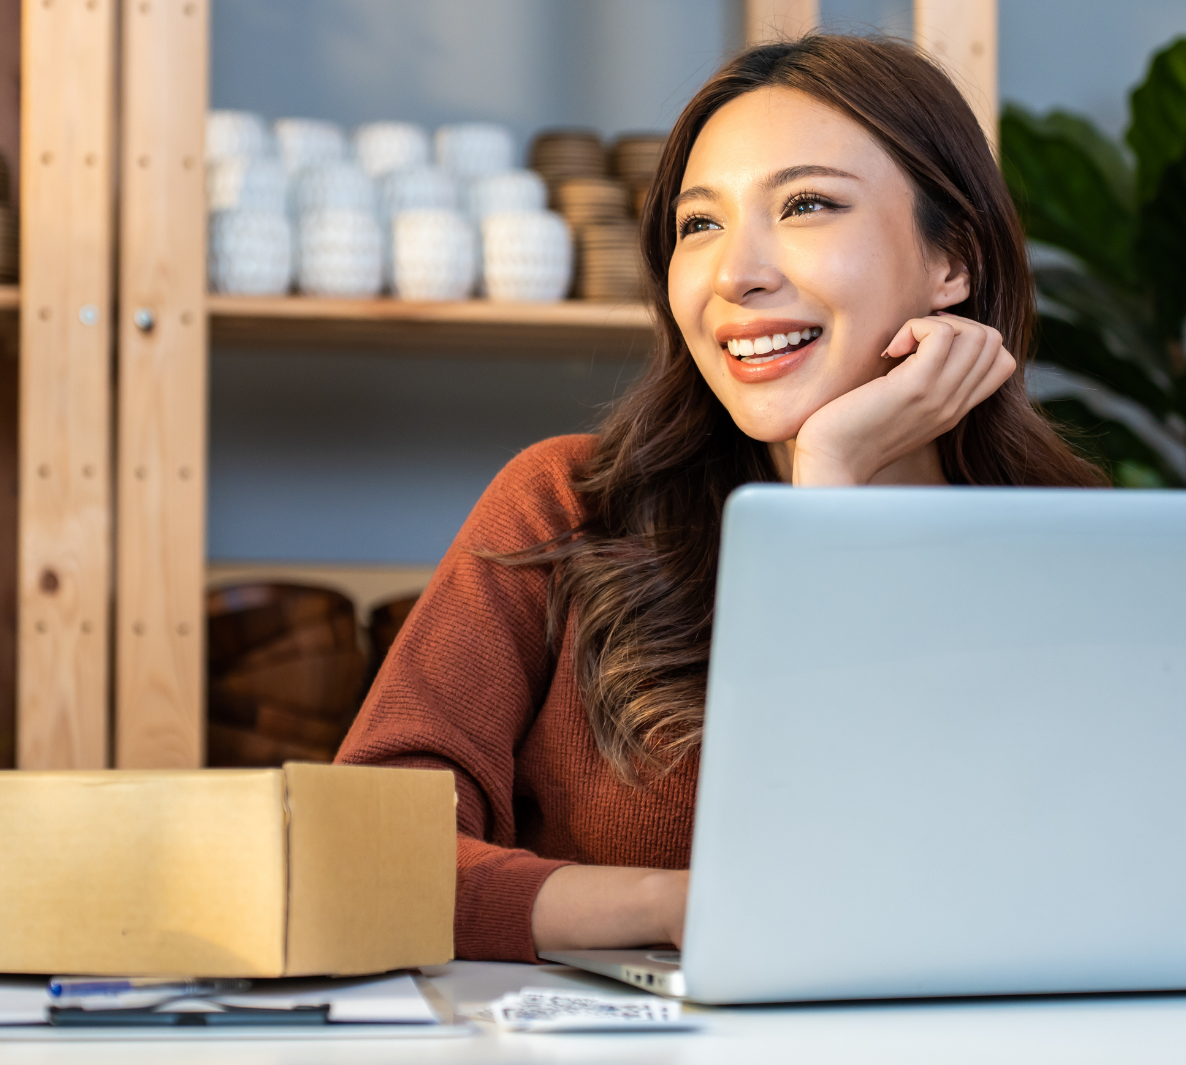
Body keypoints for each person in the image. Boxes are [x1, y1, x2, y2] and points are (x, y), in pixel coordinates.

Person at [334, 34, 1106, 964]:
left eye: (807, 205)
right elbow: (362, 859)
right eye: (699, 224)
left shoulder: (1078, 557)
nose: (736, 274)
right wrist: (673, 905)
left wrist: (831, 481)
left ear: (955, 260)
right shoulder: (568, 507)